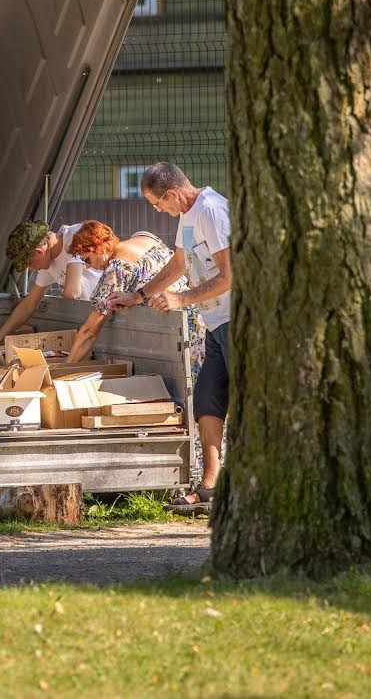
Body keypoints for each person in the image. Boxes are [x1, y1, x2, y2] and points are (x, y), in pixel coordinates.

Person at [108, 163, 231, 509]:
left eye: (158, 204)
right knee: (207, 400)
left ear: (173, 194)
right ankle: (211, 484)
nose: (158, 210)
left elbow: (229, 275)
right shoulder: (188, 216)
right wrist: (140, 295)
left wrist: (181, 298)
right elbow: (180, 263)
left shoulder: (211, 212)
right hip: (217, 324)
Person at [64, 221, 205, 387]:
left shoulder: (116, 269)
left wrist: (65, 369)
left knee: (191, 390)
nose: (88, 266)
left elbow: (89, 331)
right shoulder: (145, 238)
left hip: (178, 335)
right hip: (197, 316)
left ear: (98, 247)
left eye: (87, 259)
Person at [0, 219, 103, 347]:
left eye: (30, 263)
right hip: (92, 324)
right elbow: (29, 304)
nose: (31, 268)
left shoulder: (78, 236)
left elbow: (72, 292)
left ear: (39, 252)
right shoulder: (48, 263)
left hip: (113, 313)